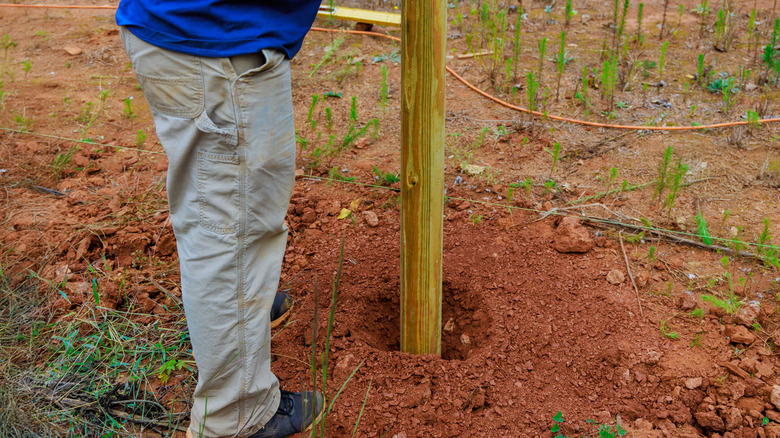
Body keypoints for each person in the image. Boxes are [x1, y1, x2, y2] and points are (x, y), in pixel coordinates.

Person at [115, 2, 324, 437]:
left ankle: (240, 312)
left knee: (217, 217)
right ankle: (236, 417)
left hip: (190, 33)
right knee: (231, 235)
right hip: (217, 51)